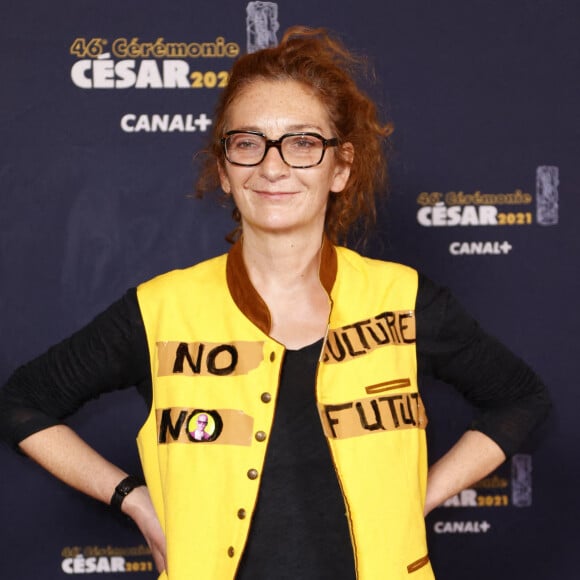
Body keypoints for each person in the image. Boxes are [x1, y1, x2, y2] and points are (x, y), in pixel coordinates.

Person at [0, 26, 550, 580]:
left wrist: (415, 498)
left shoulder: (402, 298)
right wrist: (132, 497)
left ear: (341, 167)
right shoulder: (163, 308)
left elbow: (520, 398)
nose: (272, 166)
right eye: (247, 142)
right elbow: (21, 404)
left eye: (303, 142)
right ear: (224, 167)